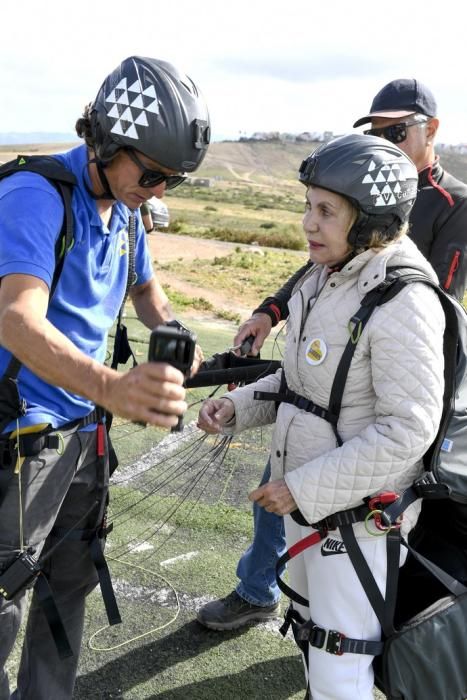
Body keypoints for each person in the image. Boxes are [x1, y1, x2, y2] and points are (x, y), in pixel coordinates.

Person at [196, 77, 467, 630]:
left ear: (430, 132)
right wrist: (272, 316)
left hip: (368, 438)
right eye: (376, 131)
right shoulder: (338, 257)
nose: (386, 141)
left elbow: (432, 308)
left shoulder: (434, 236)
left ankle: (267, 594)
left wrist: (305, 486)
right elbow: (322, 269)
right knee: (299, 571)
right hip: (324, 408)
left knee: (343, 642)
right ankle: (260, 588)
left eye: (397, 130)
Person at [0, 55, 210, 700]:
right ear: (107, 143)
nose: (159, 191)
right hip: (24, 440)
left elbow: (147, 291)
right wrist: (111, 387)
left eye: (172, 180)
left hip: (86, 436)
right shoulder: (34, 196)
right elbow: (16, 319)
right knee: (5, 594)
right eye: (152, 174)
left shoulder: (123, 208)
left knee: (69, 584)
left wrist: (177, 335)